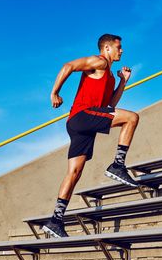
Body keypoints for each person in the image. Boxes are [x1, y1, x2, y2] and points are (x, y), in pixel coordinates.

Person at [43, 34, 139, 238]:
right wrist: (55, 92)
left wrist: (123, 82)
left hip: (80, 123)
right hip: (82, 116)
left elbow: (109, 107)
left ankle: (55, 221)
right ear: (107, 48)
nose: (121, 51)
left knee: (74, 173)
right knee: (131, 117)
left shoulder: (110, 75)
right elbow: (68, 65)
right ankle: (118, 165)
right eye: (118, 47)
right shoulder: (99, 61)